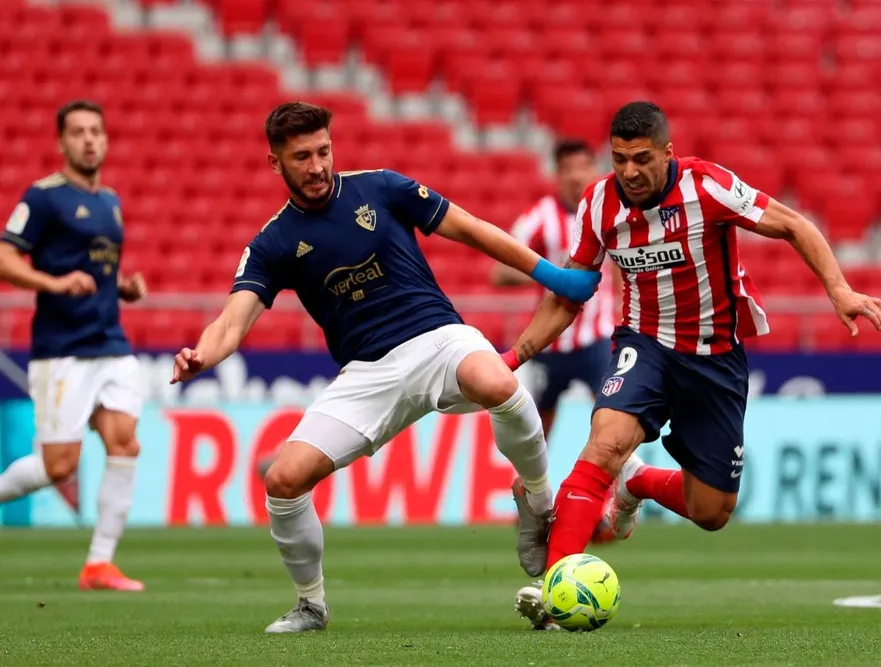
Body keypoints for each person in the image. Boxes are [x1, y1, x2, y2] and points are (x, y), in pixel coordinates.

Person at [168, 101, 601, 634]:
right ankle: (311, 604)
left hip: (438, 338)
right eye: (301, 156)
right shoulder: (273, 242)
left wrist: (552, 276)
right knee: (283, 479)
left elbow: (470, 229)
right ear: (274, 163)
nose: (317, 165)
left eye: (323, 151)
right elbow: (231, 323)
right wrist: (202, 355)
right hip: (367, 375)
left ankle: (536, 499)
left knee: (498, 382)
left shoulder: (381, 187)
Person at [505, 101, 881, 629]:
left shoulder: (707, 186)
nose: (630, 172)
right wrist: (517, 353)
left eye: (641, 159)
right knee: (605, 443)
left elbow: (793, 224)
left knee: (711, 512)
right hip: (645, 345)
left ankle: (636, 484)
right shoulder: (598, 204)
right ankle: (553, 593)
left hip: (714, 357)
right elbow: (570, 294)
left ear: (668, 152)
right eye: (619, 160)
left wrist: (839, 289)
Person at [0, 100, 148, 591]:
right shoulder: (43, 199)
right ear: (61, 142)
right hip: (62, 350)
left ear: (106, 140)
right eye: (79, 132)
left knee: (124, 441)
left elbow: (100, 271)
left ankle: (99, 564)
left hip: (111, 343)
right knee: (57, 466)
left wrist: (122, 287)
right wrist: (54, 283)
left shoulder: (111, 201)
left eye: (96, 131)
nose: (89, 140)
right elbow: (4, 258)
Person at [491, 139, 616, 439]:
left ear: (594, 171)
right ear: (556, 175)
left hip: (596, 338)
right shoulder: (539, 218)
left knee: (612, 418)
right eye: (567, 169)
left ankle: (614, 482)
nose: (575, 176)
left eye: (583, 167)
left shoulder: (609, 212)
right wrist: (552, 274)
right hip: (550, 341)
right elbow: (500, 273)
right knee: (537, 426)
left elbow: (624, 268)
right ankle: (535, 483)